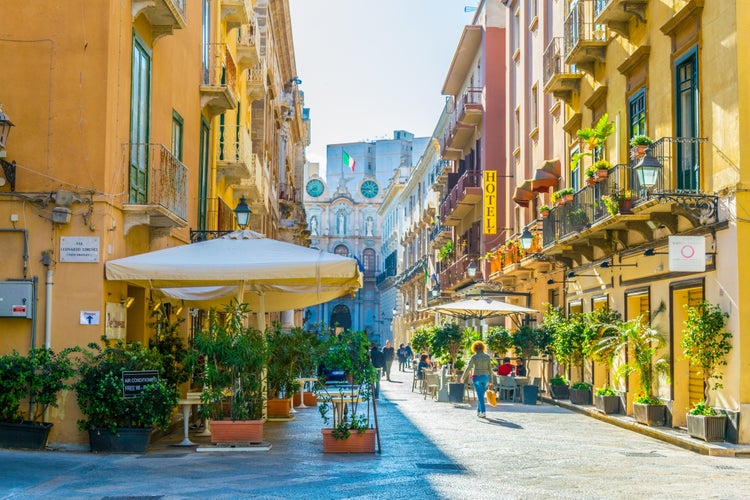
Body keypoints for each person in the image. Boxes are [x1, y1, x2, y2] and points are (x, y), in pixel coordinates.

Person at [461, 341, 494, 418]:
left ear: (474, 348)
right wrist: (491, 381)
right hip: (486, 377)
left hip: (477, 377)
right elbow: (490, 369)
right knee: (481, 394)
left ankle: (483, 411)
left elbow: (469, 367)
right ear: (483, 347)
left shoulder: (474, 357)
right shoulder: (487, 357)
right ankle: (478, 411)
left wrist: (463, 377)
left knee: (480, 395)